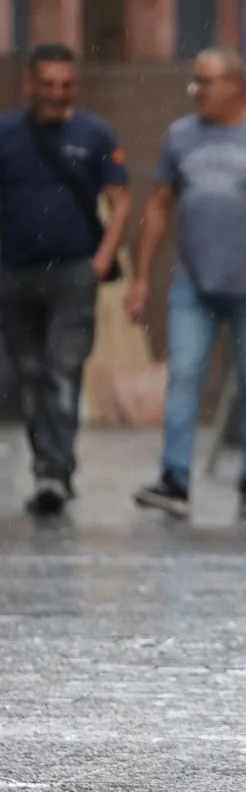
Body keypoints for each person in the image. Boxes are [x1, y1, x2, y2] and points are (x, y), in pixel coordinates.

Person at [126, 46, 246, 520]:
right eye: (195, 80)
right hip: (193, 282)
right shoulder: (181, 136)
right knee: (184, 376)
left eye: (205, 80)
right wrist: (142, 276)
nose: (197, 90)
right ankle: (174, 481)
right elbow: (158, 204)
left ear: (235, 84)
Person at [0, 44, 132, 515]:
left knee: (63, 370)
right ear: (29, 84)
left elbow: (121, 200)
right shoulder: (7, 133)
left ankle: (54, 471)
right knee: (29, 374)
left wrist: (102, 258)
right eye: (48, 84)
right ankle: (48, 463)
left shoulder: (94, 133)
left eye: (66, 85)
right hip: (14, 274)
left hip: (73, 272)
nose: (57, 94)